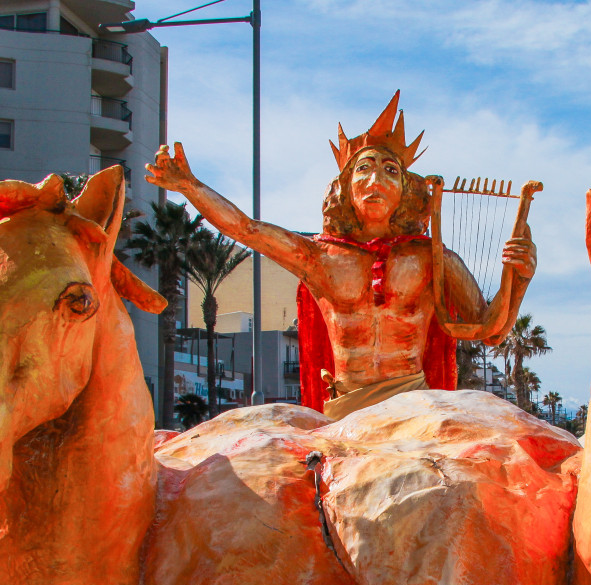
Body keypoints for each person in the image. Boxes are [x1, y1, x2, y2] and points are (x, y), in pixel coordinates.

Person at [146, 91, 536, 419]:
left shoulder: (432, 257)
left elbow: (489, 329)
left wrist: (517, 279)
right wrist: (190, 187)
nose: (376, 180)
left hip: (418, 406)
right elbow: (247, 229)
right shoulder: (318, 256)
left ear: (407, 189)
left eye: (390, 170)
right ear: (344, 188)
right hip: (346, 409)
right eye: (363, 169)